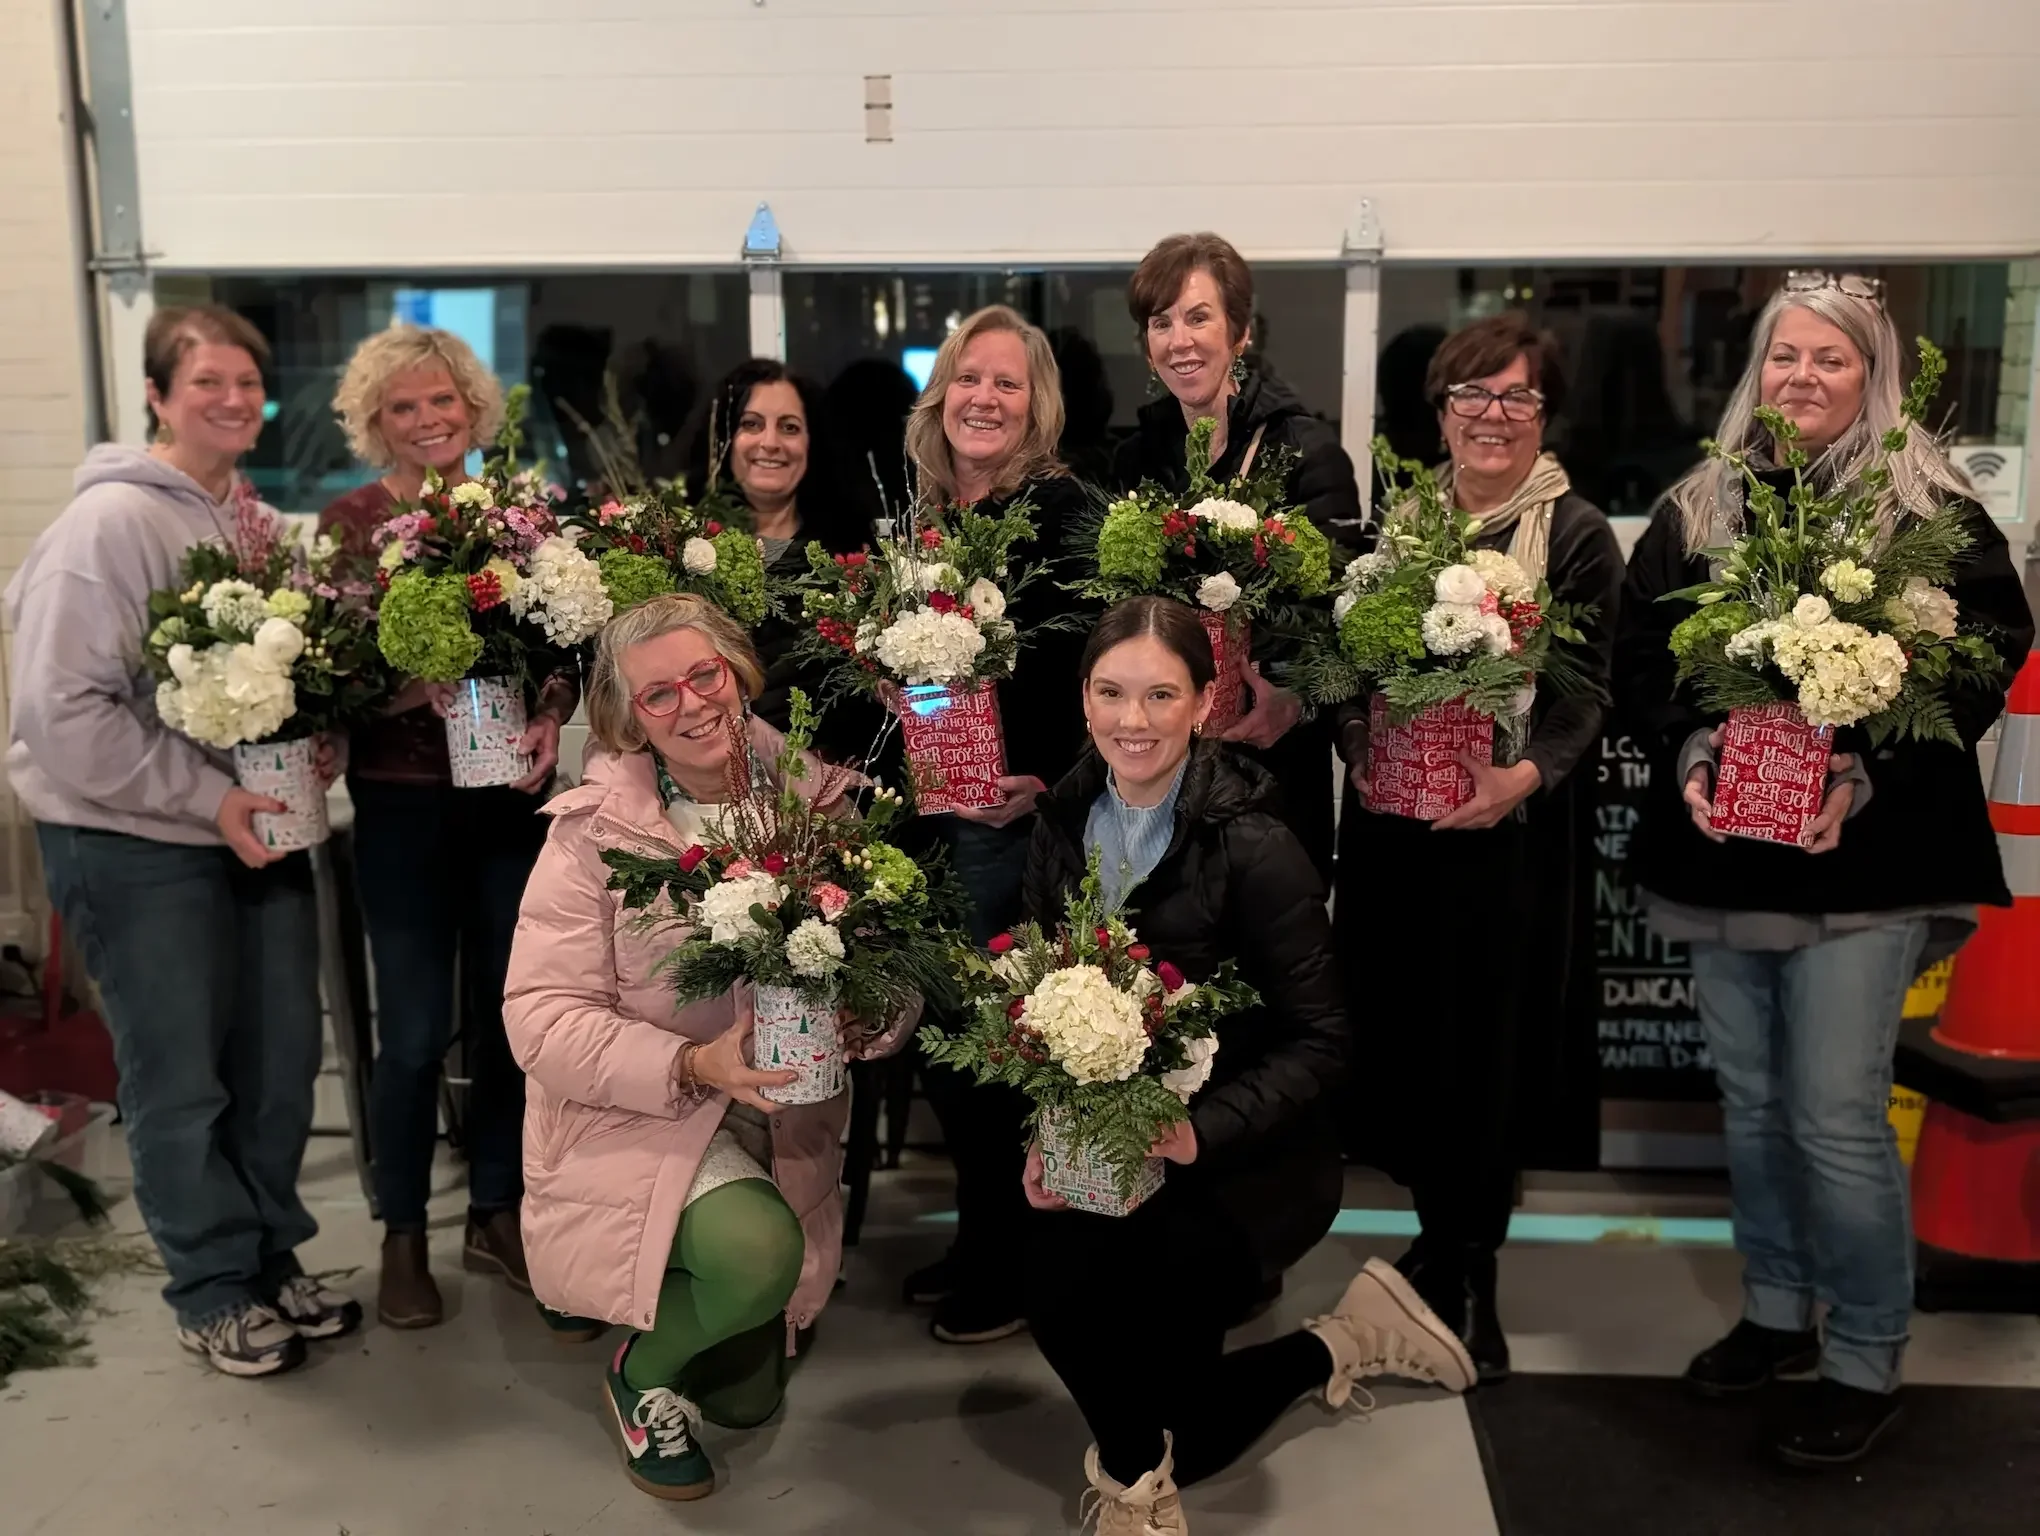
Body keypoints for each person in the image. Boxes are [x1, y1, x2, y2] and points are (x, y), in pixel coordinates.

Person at [1615, 272, 2033, 1465]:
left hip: (1873, 860)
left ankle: (1863, 1350)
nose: (1803, 378)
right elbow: (1646, 657)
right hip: (1727, 848)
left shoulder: (1930, 506)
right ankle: (1774, 1311)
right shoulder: (1703, 501)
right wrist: (1695, 743)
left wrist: (1865, 766)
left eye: (1831, 360)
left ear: (1874, 375)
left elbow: (1987, 654)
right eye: (1784, 357)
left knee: (1837, 1114)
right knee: (1751, 1109)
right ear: (1757, 370)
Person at [1021, 597, 1474, 1534]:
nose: (1131, 721)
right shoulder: (1060, 823)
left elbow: (1326, 1042)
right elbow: (1034, 998)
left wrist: (1194, 1132)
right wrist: (1048, 1129)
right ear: (1083, 699)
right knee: (1049, 1282)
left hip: (1241, 1163)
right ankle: (1340, 1342)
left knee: (1156, 1403)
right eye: (1111, 693)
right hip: (1110, 1148)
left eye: (1159, 695)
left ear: (1204, 703)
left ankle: (1135, 1498)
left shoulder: (1256, 843)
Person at [5, 304, 357, 1375]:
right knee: (180, 1078)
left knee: (278, 1062)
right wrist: (207, 803)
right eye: (207, 381)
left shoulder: (243, 518)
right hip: (135, 844)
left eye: (248, 380)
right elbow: (62, 715)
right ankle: (209, 1286)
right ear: (157, 396)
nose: (234, 399)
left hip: (246, 831)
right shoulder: (108, 525)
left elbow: (258, 690)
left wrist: (313, 738)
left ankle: (265, 1257)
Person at [503, 593, 910, 1502]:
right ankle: (638, 1378)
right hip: (640, 1113)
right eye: (658, 695)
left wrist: (867, 1015)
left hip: (784, 1120)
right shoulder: (590, 836)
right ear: (628, 720)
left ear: (739, 673)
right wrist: (692, 1063)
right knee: (755, 1256)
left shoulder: (823, 804)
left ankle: (715, 1294)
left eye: (705, 675)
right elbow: (539, 1016)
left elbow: (893, 970)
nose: (691, 704)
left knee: (751, 1401)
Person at [1336, 314, 1624, 1383]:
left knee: (1486, 1057)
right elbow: (1346, 669)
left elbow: (1591, 693)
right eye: (1472, 395)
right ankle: (1436, 1239)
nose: (1493, 417)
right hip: (1396, 838)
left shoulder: (1578, 535)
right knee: (1407, 1041)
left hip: (1505, 847)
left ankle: (1472, 1266)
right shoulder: (1396, 528)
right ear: (1439, 410)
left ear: (1546, 416)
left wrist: (1523, 777)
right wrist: (1361, 748)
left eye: (1518, 398)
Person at [323, 325, 578, 1328]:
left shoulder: (522, 517)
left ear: (475, 410)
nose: (429, 420)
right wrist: (400, 691)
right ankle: (398, 1233)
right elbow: (330, 683)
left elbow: (562, 638)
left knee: (517, 1020)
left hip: (507, 801)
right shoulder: (352, 525)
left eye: (443, 402)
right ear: (375, 425)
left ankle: (496, 1211)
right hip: (399, 806)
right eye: (403, 407)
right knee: (417, 1031)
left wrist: (554, 712)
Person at [896, 305, 1095, 1345]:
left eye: (1006, 383)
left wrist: (1051, 781)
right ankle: (983, 1241)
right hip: (932, 819)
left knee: (999, 1053)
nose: (982, 397)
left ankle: (1022, 1262)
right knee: (948, 1049)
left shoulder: (1067, 512)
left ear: (1037, 404)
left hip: (1015, 825)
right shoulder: (920, 515)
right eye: (967, 377)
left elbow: (1104, 677)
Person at [1111, 232, 1363, 881]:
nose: (1179, 340)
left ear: (1240, 332)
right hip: (1154, 775)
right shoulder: (1134, 461)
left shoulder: (1308, 451)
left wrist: (1294, 699)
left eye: (1198, 317)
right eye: (1160, 322)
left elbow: (1341, 617)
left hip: (1270, 772)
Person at [682, 358, 876, 755]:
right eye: (751, 424)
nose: (769, 442)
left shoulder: (853, 560)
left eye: (789, 427)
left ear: (812, 444)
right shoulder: (678, 548)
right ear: (723, 440)